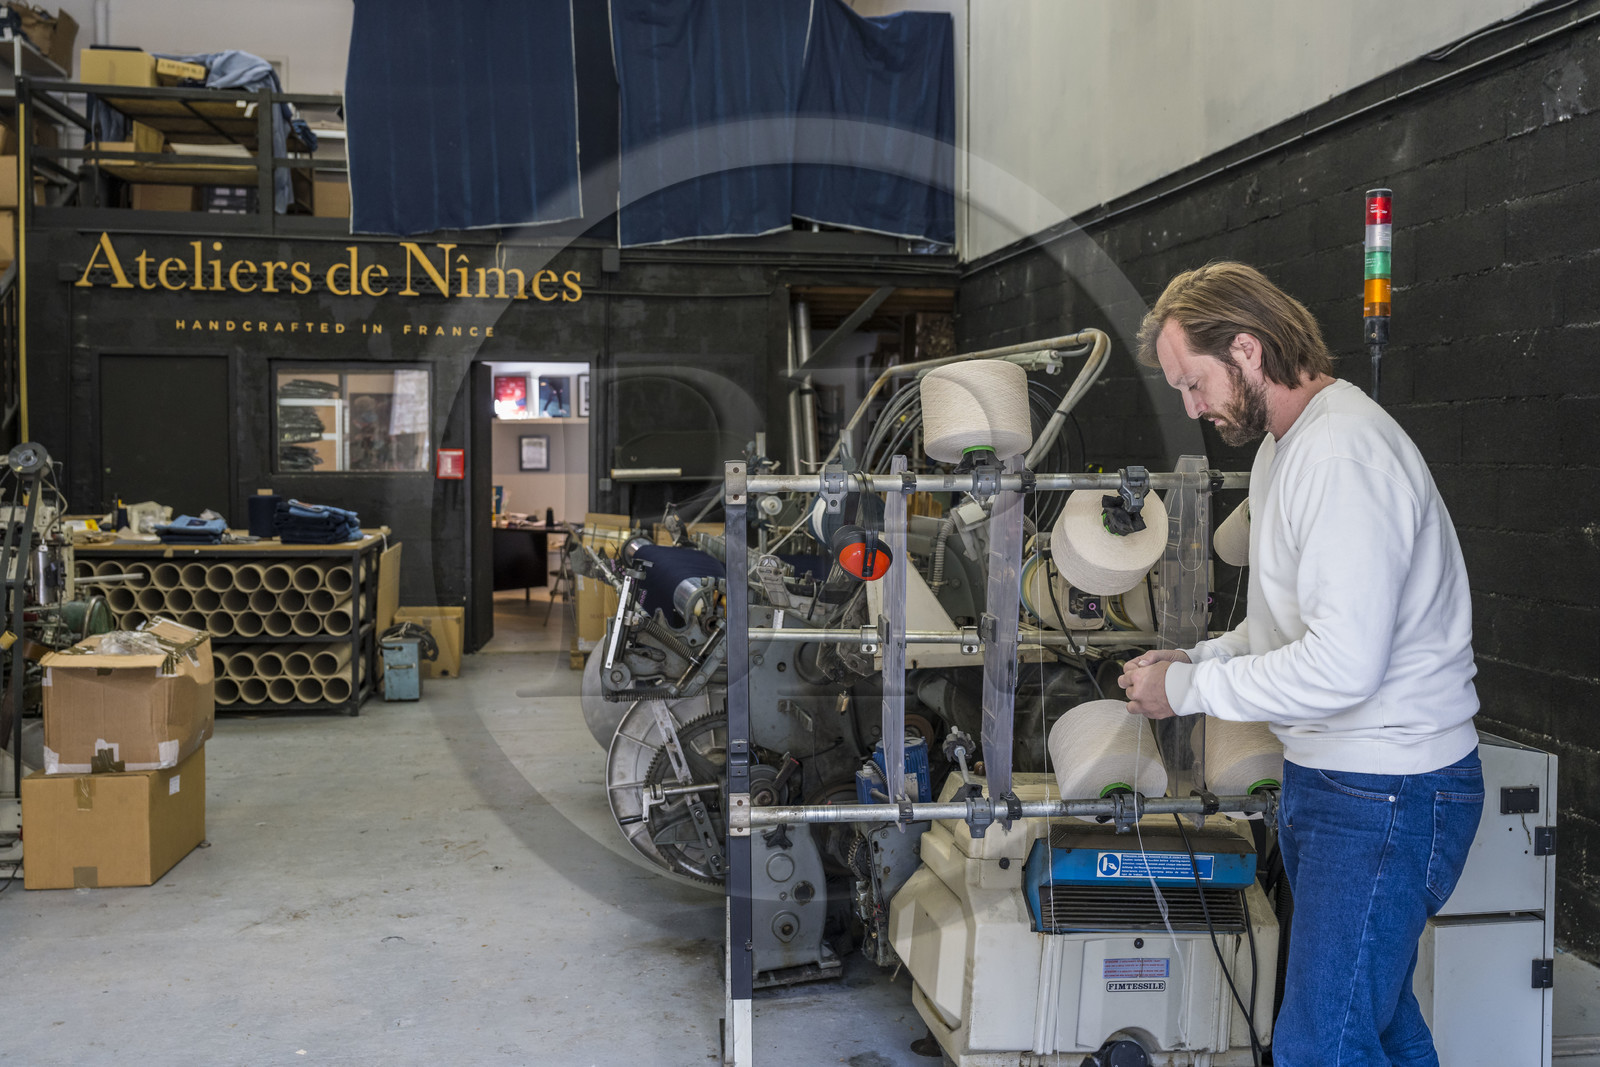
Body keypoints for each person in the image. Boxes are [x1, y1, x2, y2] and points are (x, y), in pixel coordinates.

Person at [1116, 262, 1483, 1067]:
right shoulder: (1285, 451)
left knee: (1321, 1044)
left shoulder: (1344, 455)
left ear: (1247, 349)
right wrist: (1195, 657)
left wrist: (1190, 688)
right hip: (1339, 781)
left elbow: (1344, 665)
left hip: (1390, 790)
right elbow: (1280, 629)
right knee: (1374, 1023)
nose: (1191, 406)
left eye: (1195, 381)